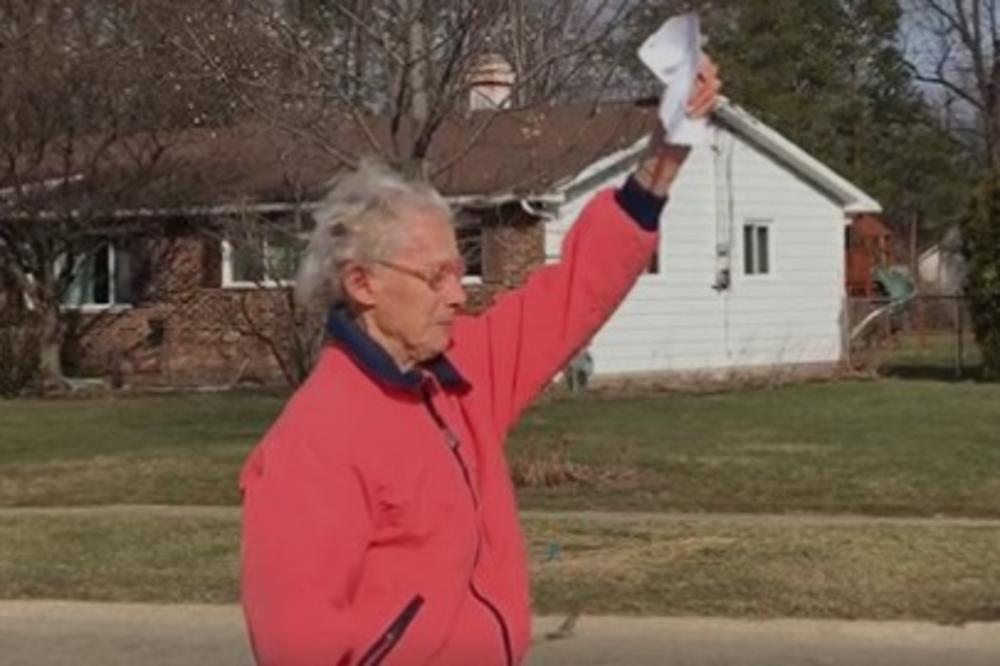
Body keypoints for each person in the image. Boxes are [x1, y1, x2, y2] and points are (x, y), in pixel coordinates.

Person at [240, 58, 721, 666]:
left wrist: (664, 155)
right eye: (436, 275)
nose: (459, 292)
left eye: (459, 267)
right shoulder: (313, 445)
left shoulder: (460, 375)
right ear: (362, 282)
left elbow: (576, 290)